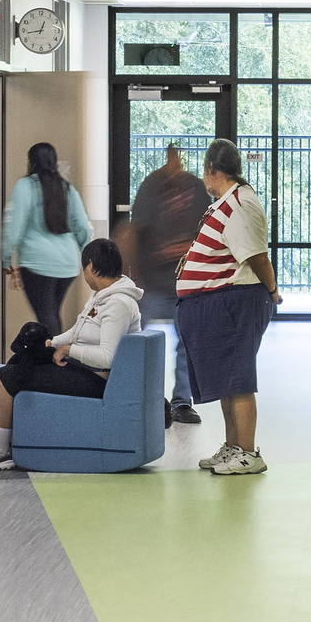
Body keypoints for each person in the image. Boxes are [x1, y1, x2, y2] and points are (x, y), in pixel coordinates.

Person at [0, 239, 142, 471]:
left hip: (97, 380)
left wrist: (68, 350)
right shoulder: (102, 295)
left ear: (90, 266)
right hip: (83, 369)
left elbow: (108, 357)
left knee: (11, 377)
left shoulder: (118, 304)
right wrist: (53, 342)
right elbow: (77, 331)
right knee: (15, 363)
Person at [175, 139, 278, 477]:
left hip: (236, 300)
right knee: (225, 380)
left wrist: (274, 291)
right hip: (218, 301)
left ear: (211, 170)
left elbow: (257, 256)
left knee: (238, 378)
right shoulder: (227, 202)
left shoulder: (240, 203)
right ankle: (233, 446)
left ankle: (249, 453)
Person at [128, 141, 209, 428]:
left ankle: (181, 403)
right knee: (139, 340)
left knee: (186, 343)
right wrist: (136, 273)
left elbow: (207, 230)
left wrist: (188, 249)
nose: (174, 163)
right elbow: (136, 229)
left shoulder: (196, 188)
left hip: (186, 282)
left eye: (178, 159)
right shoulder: (151, 186)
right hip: (153, 282)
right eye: (170, 158)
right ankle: (142, 398)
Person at [0, 140, 86, 335]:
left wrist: (6, 259)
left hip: (38, 264)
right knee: (52, 315)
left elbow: (14, 226)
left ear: (31, 162)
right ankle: (53, 357)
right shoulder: (66, 188)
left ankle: (54, 359)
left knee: (47, 318)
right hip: (68, 264)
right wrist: (85, 253)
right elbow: (82, 225)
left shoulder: (25, 186)